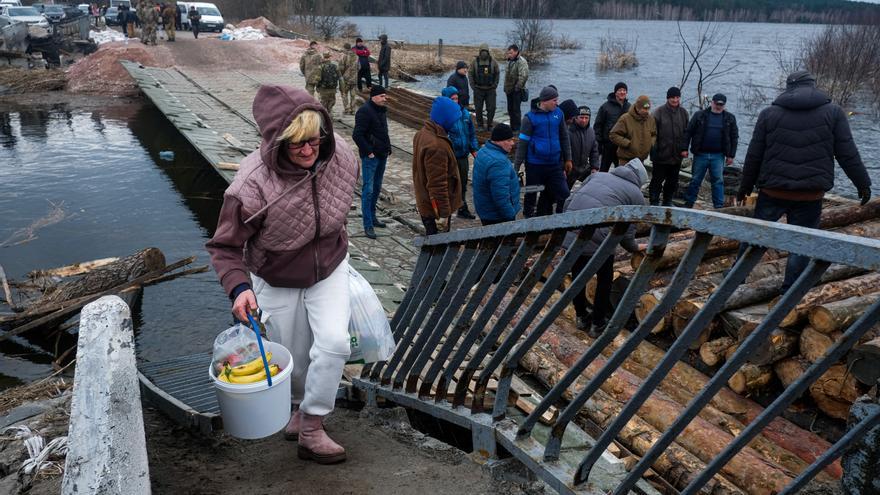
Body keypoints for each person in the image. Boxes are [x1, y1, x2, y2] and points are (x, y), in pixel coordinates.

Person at [205, 85, 359, 465]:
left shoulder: (340, 155)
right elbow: (224, 247)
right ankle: (294, 408)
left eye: (314, 140)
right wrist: (239, 288)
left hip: (330, 266)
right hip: (275, 275)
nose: (309, 150)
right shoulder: (250, 185)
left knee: (335, 343)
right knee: (291, 356)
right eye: (296, 144)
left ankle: (312, 426)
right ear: (276, 142)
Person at [737, 70, 872, 291]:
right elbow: (847, 153)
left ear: (789, 87)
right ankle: (789, 291)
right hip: (811, 193)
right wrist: (863, 184)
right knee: (801, 244)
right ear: (813, 86)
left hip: (773, 191)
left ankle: (736, 279)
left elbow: (754, 155)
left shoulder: (769, 114)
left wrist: (744, 187)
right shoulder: (834, 113)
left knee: (756, 237)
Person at [566, 158, 648, 335]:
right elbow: (627, 233)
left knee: (578, 274)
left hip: (571, 230)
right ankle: (598, 323)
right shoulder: (636, 195)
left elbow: (570, 200)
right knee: (605, 279)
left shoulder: (598, 175)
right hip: (598, 240)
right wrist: (635, 247)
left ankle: (581, 316)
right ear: (640, 180)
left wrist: (568, 225)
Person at [514, 86, 572, 217]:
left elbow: (564, 137)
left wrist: (568, 159)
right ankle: (528, 219)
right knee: (531, 193)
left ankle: (557, 217)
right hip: (535, 164)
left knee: (564, 193)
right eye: (554, 100)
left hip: (554, 164)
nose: (557, 103)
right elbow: (522, 144)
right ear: (544, 101)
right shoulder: (529, 118)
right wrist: (516, 166)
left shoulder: (559, 113)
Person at [412, 96, 463, 235]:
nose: (456, 122)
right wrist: (444, 215)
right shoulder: (436, 146)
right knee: (438, 251)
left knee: (434, 250)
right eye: (453, 119)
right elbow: (437, 184)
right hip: (435, 211)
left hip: (426, 203)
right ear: (445, 119)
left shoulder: (422, 134)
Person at [683, 93, 739, 208]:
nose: (718, 106)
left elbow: (734, 137)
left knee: (718, 181)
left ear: (724, 105)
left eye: (721, 105)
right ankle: (689, 204)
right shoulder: (700, 115)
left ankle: (718, 207)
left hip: (718, 156)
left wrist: (731, 155)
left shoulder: (730, 118)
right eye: (717, 103)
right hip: (700, 154)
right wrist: (684, 148)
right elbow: (688, 132)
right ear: (712, 102)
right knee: (695, 180)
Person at [352, 85, 391, 240]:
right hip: (371, 157)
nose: (384, 98)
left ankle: (373, 218)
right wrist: (369, 152)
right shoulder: (364, 111)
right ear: (373, 96)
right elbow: (357, 135)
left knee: (376, 188)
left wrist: (388, 148)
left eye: (385, 96)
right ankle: (367, 224)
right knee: (367, 191)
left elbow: (383, 132)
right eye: (382, 96)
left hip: (382, 154)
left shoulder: (381, 110)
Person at [440, 86, 479, 220]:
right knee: (449, 184)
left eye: (456, 98)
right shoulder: (442, 116)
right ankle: (446, 211)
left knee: (462, 183)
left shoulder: (464, 113)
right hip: (450, 156)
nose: (455, 101)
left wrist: (474, 149)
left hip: (463, 155)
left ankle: (462, 208)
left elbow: (471, 133)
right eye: (452, 99)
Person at [472, 123, 520, 225]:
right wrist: (510, 215)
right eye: (509, 140)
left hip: (486, 210)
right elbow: (500, 196)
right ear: (498, 142)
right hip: (497, 216)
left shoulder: (483, 151)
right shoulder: (498, 162)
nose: (513, 143)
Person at [649, 87, 690, 206]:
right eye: (672, 97)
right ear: (668, 98)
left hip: (676, 156)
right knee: (657, 181)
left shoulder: (683, 113)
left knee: (672, 182)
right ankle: (654, 202)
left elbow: (687, 133)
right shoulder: (658, 112)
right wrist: (655, 150)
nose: (675, 100)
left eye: (677, 97)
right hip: (661, 155)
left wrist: (684, 149)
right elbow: (651, 134)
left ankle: (667, 201)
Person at [609, 95, 656, 166]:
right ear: (637, 108)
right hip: (626, 160)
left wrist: (650, 143)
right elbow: (613, 135)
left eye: (648, 109)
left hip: (641, 160)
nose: (646, 111)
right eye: (644, 108)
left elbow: (654, 134)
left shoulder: (650, 119)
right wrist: (628, 143)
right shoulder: (625, 118)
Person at [594, 82, 630, 172]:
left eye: (624, 90)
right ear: (615, 92)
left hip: (622, 146)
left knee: (622, 172)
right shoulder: (605, 107)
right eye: (620, 90)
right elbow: (598, 126)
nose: (622, 92)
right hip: (608, 145)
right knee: (603, 171)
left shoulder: (630, 107)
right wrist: (599, 143)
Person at [567, 105, 600, 190]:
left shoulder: (591, 132)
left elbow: (594, 152)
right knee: (563, 192)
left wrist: (594, 167)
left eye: (586, 118)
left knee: (596, 185)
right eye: (581, 117)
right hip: (569, 169)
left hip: (583, 167)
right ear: (576, 118)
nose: (584, 120)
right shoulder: (568, 131)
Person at [468, 44, 499, 131]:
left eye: (485, 51)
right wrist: (473, 86)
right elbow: (470, 74)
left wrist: (495, 85)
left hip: (491, 89)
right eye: (482, 51)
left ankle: (490, 125)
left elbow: (497, 73)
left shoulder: (493, 62)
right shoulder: (475, 62)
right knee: (478, 108)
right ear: (480, 52)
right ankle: (480, 125)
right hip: (478, 89)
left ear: (488, 52)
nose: (484, 53)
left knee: (492, 108)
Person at [503, 44, 529, 132]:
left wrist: (517, 87)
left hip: (517, 90)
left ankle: (517, 129)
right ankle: (512, 126)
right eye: (508, 53)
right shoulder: (509, 61)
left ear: (516, 51)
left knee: (516, 110)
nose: (509, 55)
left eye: (511, 53)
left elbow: (524, 76)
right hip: (509, 89)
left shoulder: (522, 62)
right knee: (510, 109)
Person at [338, 42, 358, 115]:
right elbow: (359, 67)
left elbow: (341, 68)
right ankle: (353, 110)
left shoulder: (344, 56)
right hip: (354, 79)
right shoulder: (357, 56)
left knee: (344, 94)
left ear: (345, 48)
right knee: (353, 95)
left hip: (345, 79)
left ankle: (346, 109)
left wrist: (342, 75)